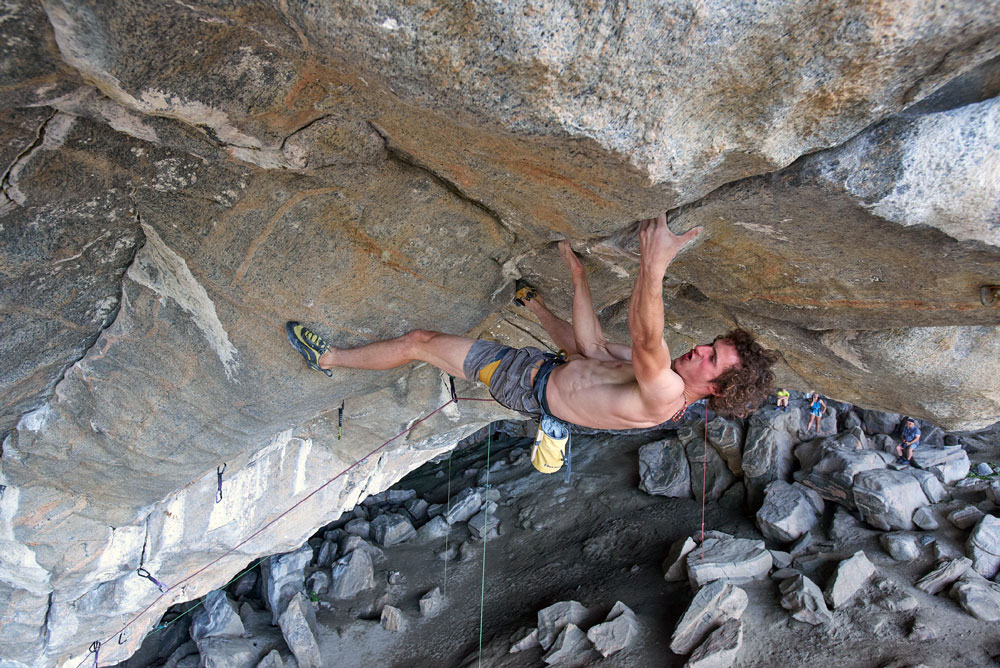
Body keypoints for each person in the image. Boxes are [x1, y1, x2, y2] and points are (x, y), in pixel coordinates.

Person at [287, 214, 776, 471]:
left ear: (716, 390)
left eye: (712, 360)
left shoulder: (667, 394)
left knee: (421, 341)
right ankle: (535, 304)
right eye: (711, 345)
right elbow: (594, 348)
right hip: (544, 370)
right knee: (580, 351)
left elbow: (649, 337)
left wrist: (655, 263)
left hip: (521, 383)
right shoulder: (668, 382)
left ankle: (328, 357)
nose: (701, 351)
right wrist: (578, 276)